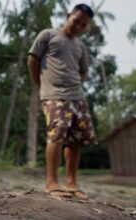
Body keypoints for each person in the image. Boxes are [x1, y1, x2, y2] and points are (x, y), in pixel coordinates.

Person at [27, 4, 97, 199]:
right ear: (68, 16)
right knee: (56, 135)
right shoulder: (48, 35)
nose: (78, 27)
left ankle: (71, 183)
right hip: (53, 94)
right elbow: (32, 59)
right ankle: (51, 182)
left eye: (83, 25)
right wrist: (40, 85)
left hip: (78, 97)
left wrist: (75, 84)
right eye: (76, 21)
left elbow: (83, 71)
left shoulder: (80, 46)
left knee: (76, 140)